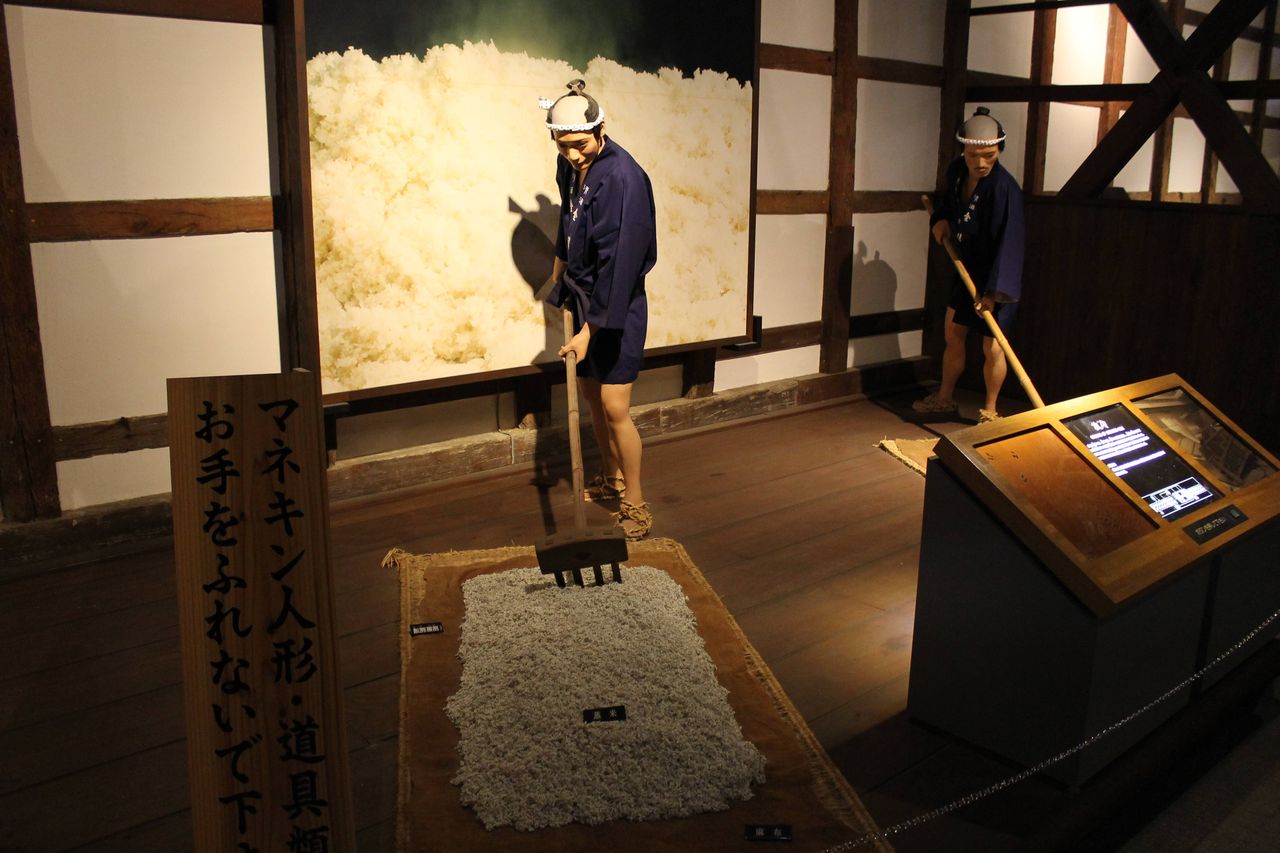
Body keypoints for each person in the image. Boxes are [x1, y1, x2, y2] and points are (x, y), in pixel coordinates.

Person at [542, 79, 657, 540]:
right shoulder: (570, 164)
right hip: (583, 294)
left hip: (617, 303)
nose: (573, 154)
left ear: (601, 130)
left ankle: (636, 501)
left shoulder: (623, 180)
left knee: (614, 405)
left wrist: (590, 331)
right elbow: (567, 215)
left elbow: (620, 264)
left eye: (581, 144)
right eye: (563, 145)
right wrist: (561, 258)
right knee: (591, 396)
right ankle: (611, 478)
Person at [913, 106, 1025, 423]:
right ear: (964, 149)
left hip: (996, 278)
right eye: (974, 155)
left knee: (993, 347)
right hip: (965, 268)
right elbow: (948, 206)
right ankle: (944, 398)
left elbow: (1010, 245)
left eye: (989, 155)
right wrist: (940, 219)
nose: (981, 163)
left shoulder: (1004, 189)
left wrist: (993, 293)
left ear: (999, 149)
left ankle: (990, 411)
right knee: (953, 333)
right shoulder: (957, 173)